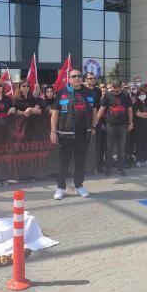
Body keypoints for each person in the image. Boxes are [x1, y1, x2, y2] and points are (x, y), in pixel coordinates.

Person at [50, 68, 96, 200]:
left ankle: (79, 186)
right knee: (63, 162)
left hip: (83, 134)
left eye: (79, 76)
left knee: (81, 161)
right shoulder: (61, 93)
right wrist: (53, 131)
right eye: (74, 76)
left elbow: (94, 110)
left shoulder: (89, 93)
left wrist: (93, 126)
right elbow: (55, 113)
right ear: (69, 78)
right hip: (65, 134)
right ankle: (60, 188)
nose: (77, 78)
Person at [97, 79, 133, 176]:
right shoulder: (107, 95)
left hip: (123, 125)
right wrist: (96, 121)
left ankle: (120, 168)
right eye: (114, 90)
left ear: (121, 87)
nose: (115, 92)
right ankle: (108, 169)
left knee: (121, 148)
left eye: (117, 91)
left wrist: (130, 122)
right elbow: (102, 109)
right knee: (109, 148)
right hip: (110, 125)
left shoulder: (126, 95)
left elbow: (129, 110)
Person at [84, 72, 104, 172]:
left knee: (98, 144)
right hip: (85, 121)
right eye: (90, 78)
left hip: (97, 121)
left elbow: (100, 107)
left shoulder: (98, 90)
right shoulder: (83, 90)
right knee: (86, 145)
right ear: (86, 79)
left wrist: (97, 120)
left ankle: (98, 166)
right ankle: (86, 166)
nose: (92, 80)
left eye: (93, 78)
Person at [134, 87, 147, 167]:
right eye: (140, 94)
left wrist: (142, 114)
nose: (142, 96)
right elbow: (137, 114)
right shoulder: (136, 104)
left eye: (143, 94)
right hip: (139, 126)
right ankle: (139, 159)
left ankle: (146, 158)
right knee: (139, 143)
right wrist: (146, 114)